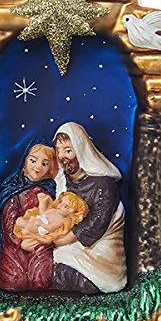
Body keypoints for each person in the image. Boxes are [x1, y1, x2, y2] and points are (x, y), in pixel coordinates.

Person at [52, 122, 127, 294]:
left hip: (99, 252)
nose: (62, 156)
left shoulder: (104, 184)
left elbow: (97, 223)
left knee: (65, 272)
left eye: (68, 151)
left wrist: (62, 240)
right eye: (58, 150)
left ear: (81, 150)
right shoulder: (63, 181)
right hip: (68, 242)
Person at [0, 138, 58, 292]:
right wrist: (19, 242)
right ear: (25, 160)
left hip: (40, 241)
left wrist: (44, 237)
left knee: (41, 278)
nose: (37, 167)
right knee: (14, 280)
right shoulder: (13, 188)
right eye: (33, 161)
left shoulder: (50, 189)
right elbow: (8, 220)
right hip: (15, 243)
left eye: (44, 164)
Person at [14, 191, 89, 244]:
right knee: (32, 218)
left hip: (43, 228)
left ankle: (25, 225)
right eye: (61, 202)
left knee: (31, 227)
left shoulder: (61, 220)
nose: (60, 206)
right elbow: (43, 213)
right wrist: (38, 216)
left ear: (71, 211)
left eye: (65, 206)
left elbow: (50, 228)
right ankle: (26, 229)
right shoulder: (53, 210)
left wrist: (41, 224)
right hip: (41, 221)